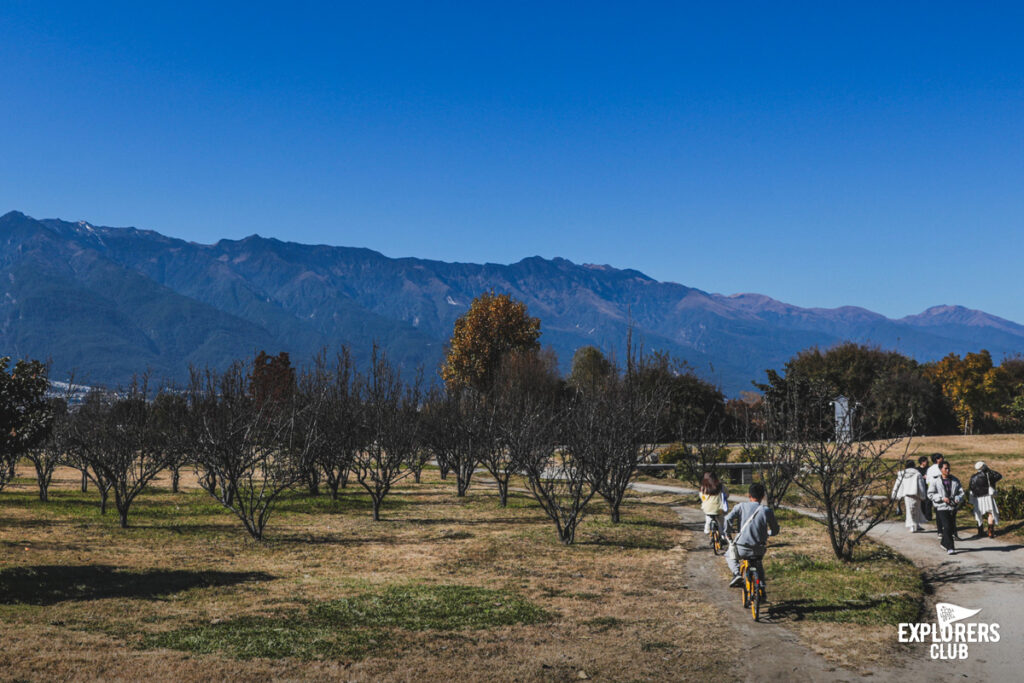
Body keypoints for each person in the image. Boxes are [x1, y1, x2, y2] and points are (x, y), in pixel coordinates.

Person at [724, 482, 779, 587]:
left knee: (729, 555)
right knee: (758, 564)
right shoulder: (766, 510)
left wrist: (727, 533)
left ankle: (736, 574)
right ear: (763, 497)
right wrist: (769, 533)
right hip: (759, 548)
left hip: (742, 547)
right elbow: (775, 530)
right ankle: (761, 588)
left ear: (749, 495)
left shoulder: (740, 507)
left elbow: (727, 519)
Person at [928, 461, 965, 555]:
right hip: (941, 507)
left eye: (949, 468)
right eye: (945, 468)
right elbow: (930, 494)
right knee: (947, 526)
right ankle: (950, 547)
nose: (948, 470)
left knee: (951, 527)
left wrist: (958, 498)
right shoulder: (935, 481)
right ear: (941, 469)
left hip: (953, 507)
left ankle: (944, 543)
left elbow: (961, 492)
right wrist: (941, 498)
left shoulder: (955, 480)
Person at [968, 461, 1002, 538]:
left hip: (978, 497)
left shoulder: (973, 477)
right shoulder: (989, 475)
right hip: (988, 496)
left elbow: (971, 488)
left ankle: (980, 531)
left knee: (979, 514)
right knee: (991, 513)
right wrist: (988, 470)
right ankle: (991, 532)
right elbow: (999, 476)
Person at [891, 459, 927, 532]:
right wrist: (923, 495)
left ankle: (913, 525)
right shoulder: (917, 473)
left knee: (909, 510)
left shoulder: (902, 474)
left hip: (906, 494)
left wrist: (895, 494)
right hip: (916, 494)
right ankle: (915, 524)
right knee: (917, 509)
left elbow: (898, 485)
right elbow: (921, 485)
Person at [699, 471, 728, 536]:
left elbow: (702, 498)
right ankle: (722, 535)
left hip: (707, 509)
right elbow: (727, 494)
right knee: (721, 522)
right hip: (720, 509)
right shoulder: (721, 486)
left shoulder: (703, 488)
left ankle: (707, 530)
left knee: (708, 518)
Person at [925, 453, 946, 537]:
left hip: (938, 491)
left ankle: (941, 530)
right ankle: (941, 529)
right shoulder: (934, 469)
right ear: (937, 459)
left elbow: (927, 481)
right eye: (941, 458)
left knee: (939, 511)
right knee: (939, 511)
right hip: (938, 492)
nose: (943, 458)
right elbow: (929, 481)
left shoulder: (930, 469)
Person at [916, 455, 933, 521]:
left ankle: (928, 517)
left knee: (928, 503)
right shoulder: (917, 470)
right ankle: (922, 516)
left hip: (928, 487)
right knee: (921, 503)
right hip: (920, 488)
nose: (927, 463)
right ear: (922, 462)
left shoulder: (929, 469)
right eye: (926, 461)